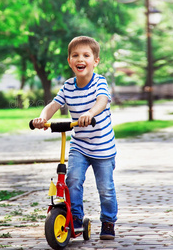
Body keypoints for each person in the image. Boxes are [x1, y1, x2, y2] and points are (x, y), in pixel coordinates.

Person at [32, 36, 117, 240]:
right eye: (75, 55)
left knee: (105, 188)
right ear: (70, 61)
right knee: (72, 180)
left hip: (102, 148)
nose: (81, 59)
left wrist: (90, 113)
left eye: (86, 55)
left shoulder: (100, 82)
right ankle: (75, 220)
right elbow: (53, 105)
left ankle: (107, 221)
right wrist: (43, 118)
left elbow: (102, 100)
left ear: (95, 61)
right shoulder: (68, 86)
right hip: (79, 146)